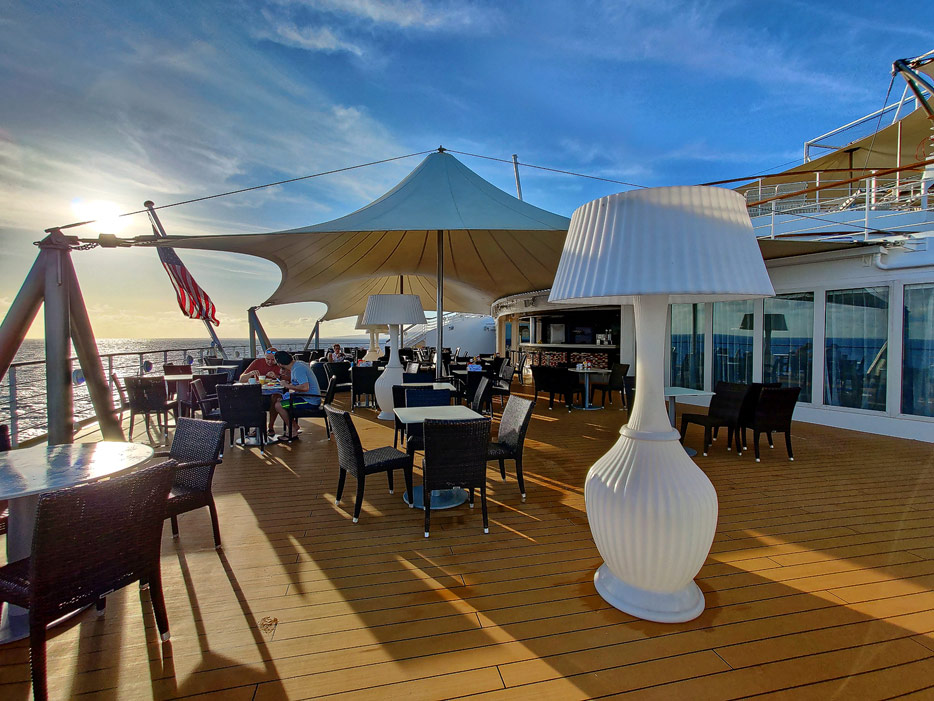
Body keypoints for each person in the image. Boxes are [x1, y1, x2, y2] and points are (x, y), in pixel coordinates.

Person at [272, 350, 321, 439]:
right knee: (279, 400)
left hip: (310, 400)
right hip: (307, 397)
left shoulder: (298, 369)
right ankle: (294, 426)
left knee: (278, 405)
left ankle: (293, 431)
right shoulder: (298, 364)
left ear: (280, 364)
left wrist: (288, 386)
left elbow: (305, 387)